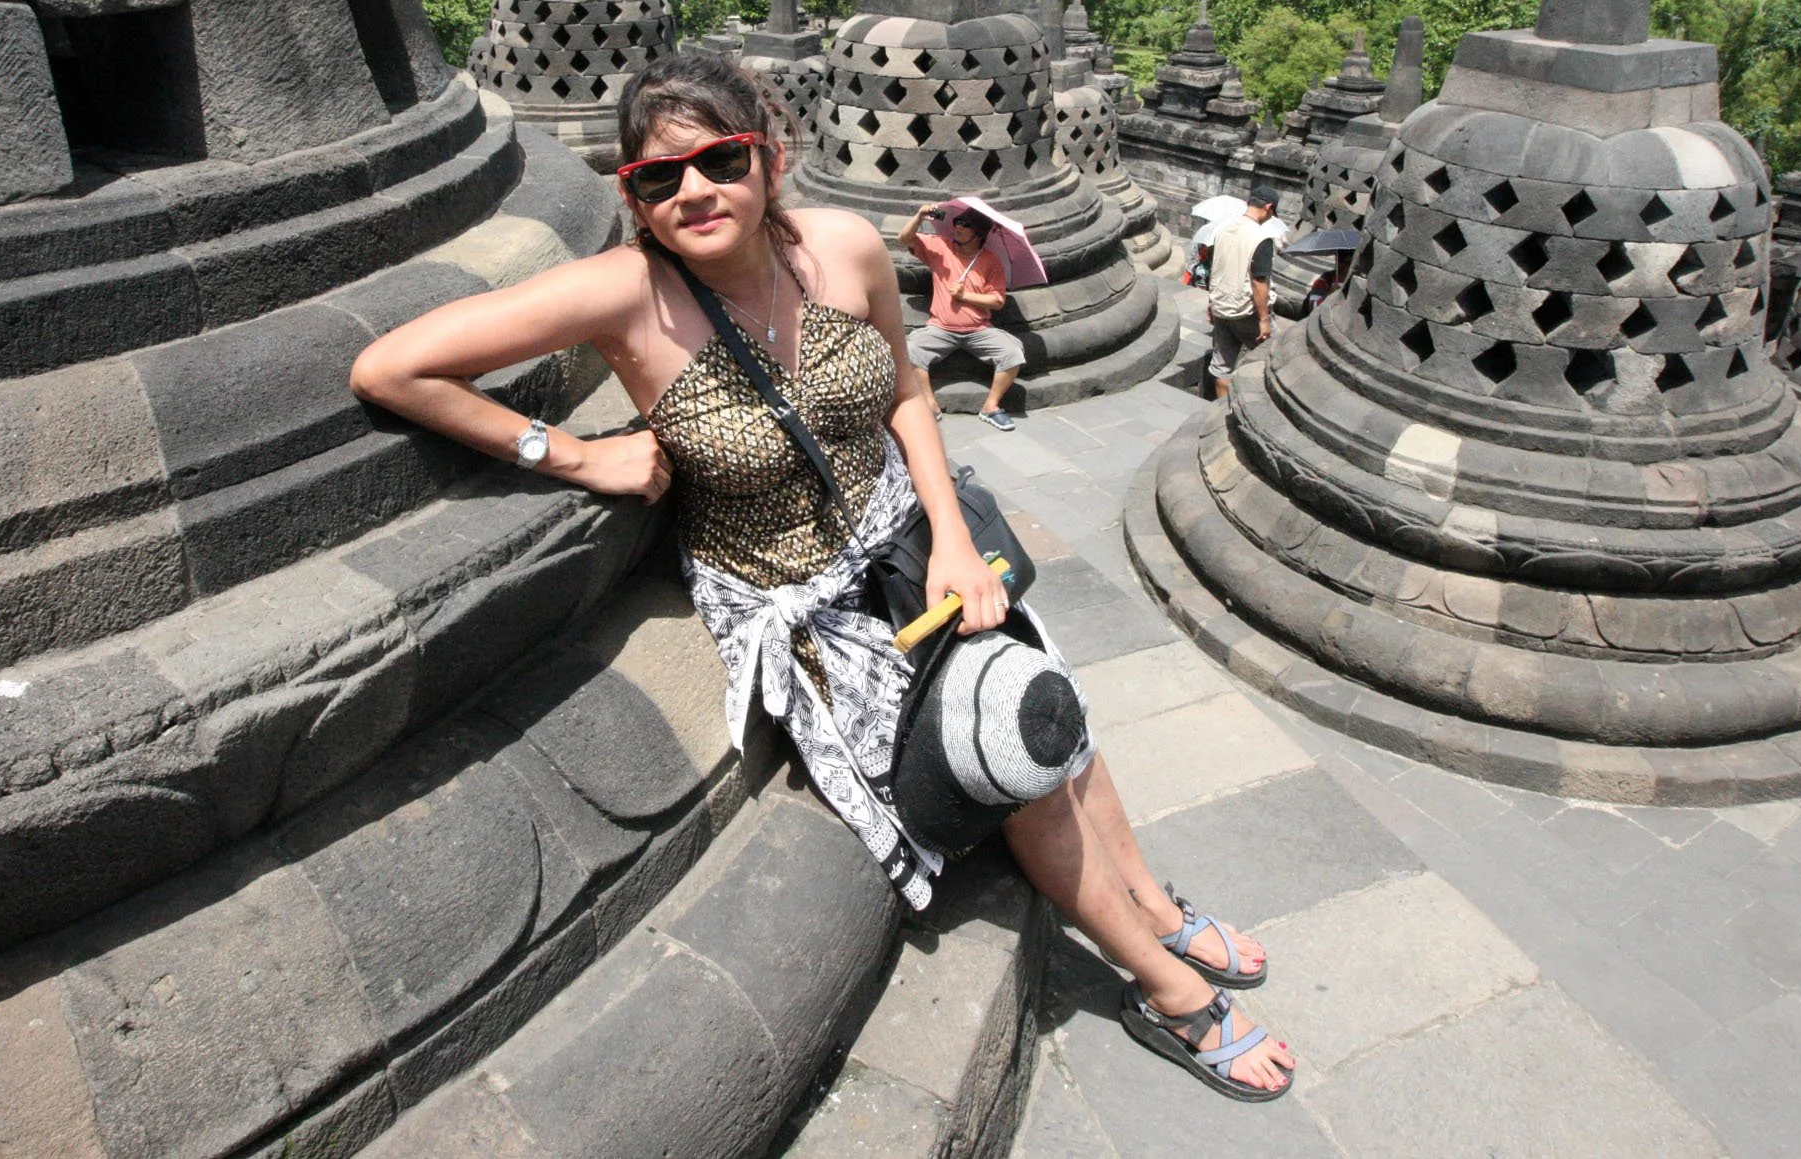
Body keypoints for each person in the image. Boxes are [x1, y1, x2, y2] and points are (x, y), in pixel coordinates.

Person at [351, 53, 1294, 1100]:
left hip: (907, 538)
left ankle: (1158, 908)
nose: (693, 193)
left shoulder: (841, 248)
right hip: (801, 601)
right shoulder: (627, 295)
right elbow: (390, 368)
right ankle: (1165, 986)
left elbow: (904, 392)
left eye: (718, 161)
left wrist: (945, 532)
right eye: (658, 180)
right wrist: (573, 455)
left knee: (1049, 701)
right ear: (633, 198)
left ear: (768, 156)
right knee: (1011, 754)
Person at [897, 201, 1024, 431]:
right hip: (940, 328)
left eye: (966, 225)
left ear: (978, 234)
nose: (958, 227)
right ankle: (930, 404)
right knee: (910, 350)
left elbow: (997, 301)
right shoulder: (941, 248)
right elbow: (905, 239)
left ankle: (991, 407)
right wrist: (919, 216)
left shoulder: (990, 261)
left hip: (978, 330)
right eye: (957, 221)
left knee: (1012, 354)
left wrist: (965, 296)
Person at [1205, 185, 1279, 400]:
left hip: (1221, 308)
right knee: (1275, 357)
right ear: (1268, 207)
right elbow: (1258, 281)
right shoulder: (1260, 237)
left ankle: (1218, 412)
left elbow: (1218, 269)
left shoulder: (1223, 230)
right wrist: (1264, 319)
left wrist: (1211, 304)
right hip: (1248, 312)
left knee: (1223, 368)